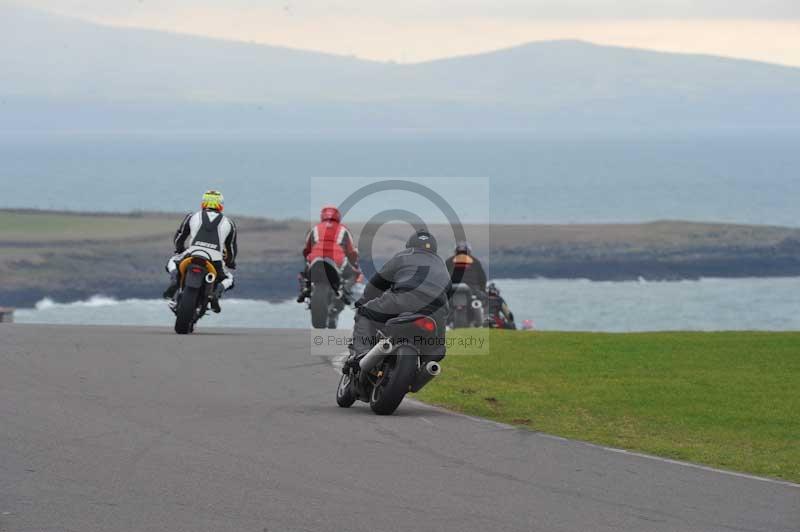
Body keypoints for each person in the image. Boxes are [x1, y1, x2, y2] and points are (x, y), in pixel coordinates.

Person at [345, 230, 452, 370]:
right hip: (437, 311)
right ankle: (420, 371)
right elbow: (448, 291)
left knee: (364, 313)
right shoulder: (441, 264)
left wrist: (364, 301)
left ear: (410, 245)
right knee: (437, 350)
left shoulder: (405, 255)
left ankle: (360, 354)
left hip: (404, 299)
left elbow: (377, 283)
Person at [162, 190, 238, 313]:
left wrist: (179, 249)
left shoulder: (192, 216)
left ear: (203, 203)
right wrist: (230, 262)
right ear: (221, 205)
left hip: (193, 253)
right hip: (215, 259)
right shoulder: (229, 223)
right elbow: (231, 248)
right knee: (229, 279)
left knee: (172, 261)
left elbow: (180, 237)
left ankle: (175, 278)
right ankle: (216, 293)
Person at [297, 205, 361, 303]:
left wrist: (308, 257)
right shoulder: (344, 230)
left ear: (322, 216)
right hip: (337, 259)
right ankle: (345, 292)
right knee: (355, 274)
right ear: (338, 217)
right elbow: (351, 252)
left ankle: (305, 288)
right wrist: (353, 263)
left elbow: (306, 250)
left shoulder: (315, 228)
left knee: (304, 272)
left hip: (316, 258)